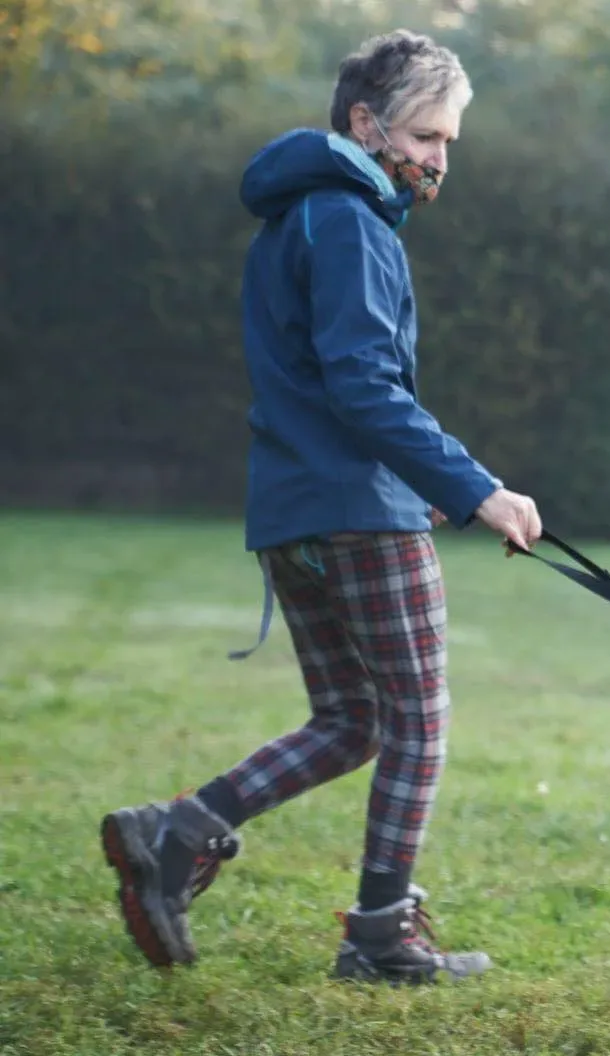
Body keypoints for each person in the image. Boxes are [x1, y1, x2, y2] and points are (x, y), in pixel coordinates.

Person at [100, 31, 543, 985]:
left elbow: (325, 385)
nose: (437, 159)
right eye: (427, 135)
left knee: (352, 719)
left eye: (450, 143)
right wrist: (475, 490)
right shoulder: (347, 222)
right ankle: (380, 936)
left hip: (296, 512)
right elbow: (365, 390)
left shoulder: (299, 217)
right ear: (363, 122)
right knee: (416, 720)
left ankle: (177, 832)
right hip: (358, 512)